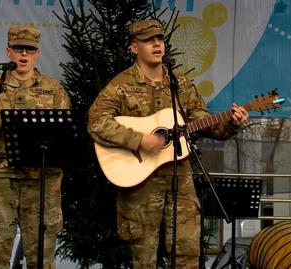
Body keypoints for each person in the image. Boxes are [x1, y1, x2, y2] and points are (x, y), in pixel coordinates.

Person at [87, 19, 249, 268]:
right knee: (144, 258)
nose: (156, 44)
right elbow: (96, 121)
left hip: (180, 178)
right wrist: (139, 139)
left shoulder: (179, 83)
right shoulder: (121, 85)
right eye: (148, 40)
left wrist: (232, 123)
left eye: (159, 39)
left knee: (187, 253)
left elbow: (203, 122)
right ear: (134, 47)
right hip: (141, 182)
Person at [0, 25, 71, 269]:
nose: (23, 55)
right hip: (0, 180)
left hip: (40, 182)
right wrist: (9, 118)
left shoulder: (53, 89)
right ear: (9, 52)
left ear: (37, 53)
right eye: (18, 49)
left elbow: (65, 129)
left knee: (42, 256)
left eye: (30, 49)